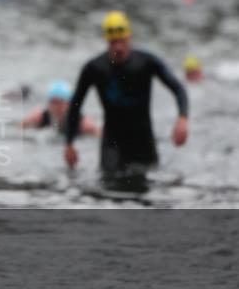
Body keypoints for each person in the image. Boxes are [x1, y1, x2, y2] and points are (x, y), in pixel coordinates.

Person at [64, 11, 189, 192]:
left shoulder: (146, 62)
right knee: (108, 188)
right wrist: (69, 143)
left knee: (148, 191)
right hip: (112, 143)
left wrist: (182, 118)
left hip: (143, 141)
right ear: (107, 41)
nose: (118, 47)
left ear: (129, 37)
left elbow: (178, 89)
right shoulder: (94, 68)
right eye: (113, 42)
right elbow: (75, 104)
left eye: (122, 41)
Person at [20, 80, 99, 138]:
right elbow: (20, 129)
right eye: (52, 102)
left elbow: (99, 136)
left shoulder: (83, 123)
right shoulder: (39, 116)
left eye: (59, 103)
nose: (55, 107)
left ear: (69, 104)